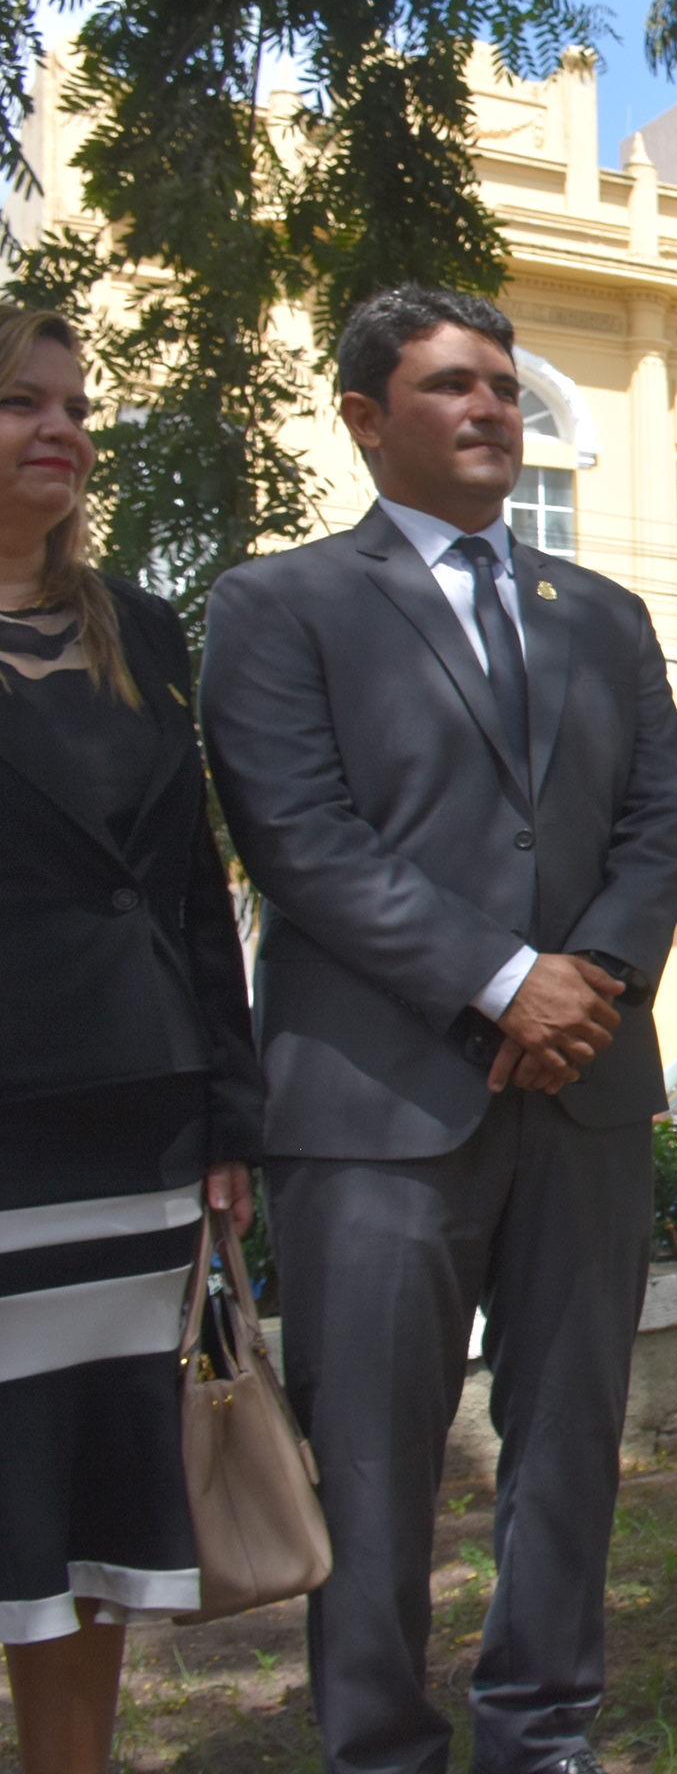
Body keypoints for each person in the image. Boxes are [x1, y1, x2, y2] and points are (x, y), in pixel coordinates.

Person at [201, 287, 677, 1774]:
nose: (493, 408)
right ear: (365, 418)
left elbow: (663, 821)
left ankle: (542, 1729)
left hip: (585, 1088)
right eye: (451, 387)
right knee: (371, 1454)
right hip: (374, 1104)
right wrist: (500, 980)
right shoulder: (279, 606)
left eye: (502, 385)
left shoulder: (599, 614)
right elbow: (301, 839)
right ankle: (379, 1741)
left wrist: (586, 981)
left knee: (567, 1436)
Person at [0, 311, 263, 1774]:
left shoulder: (144, 631)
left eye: (74, 405)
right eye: (19, 402)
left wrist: (229, 1116)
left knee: (88, 1506)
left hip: (138, 1132)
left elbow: (188, 892)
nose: (59, 427)